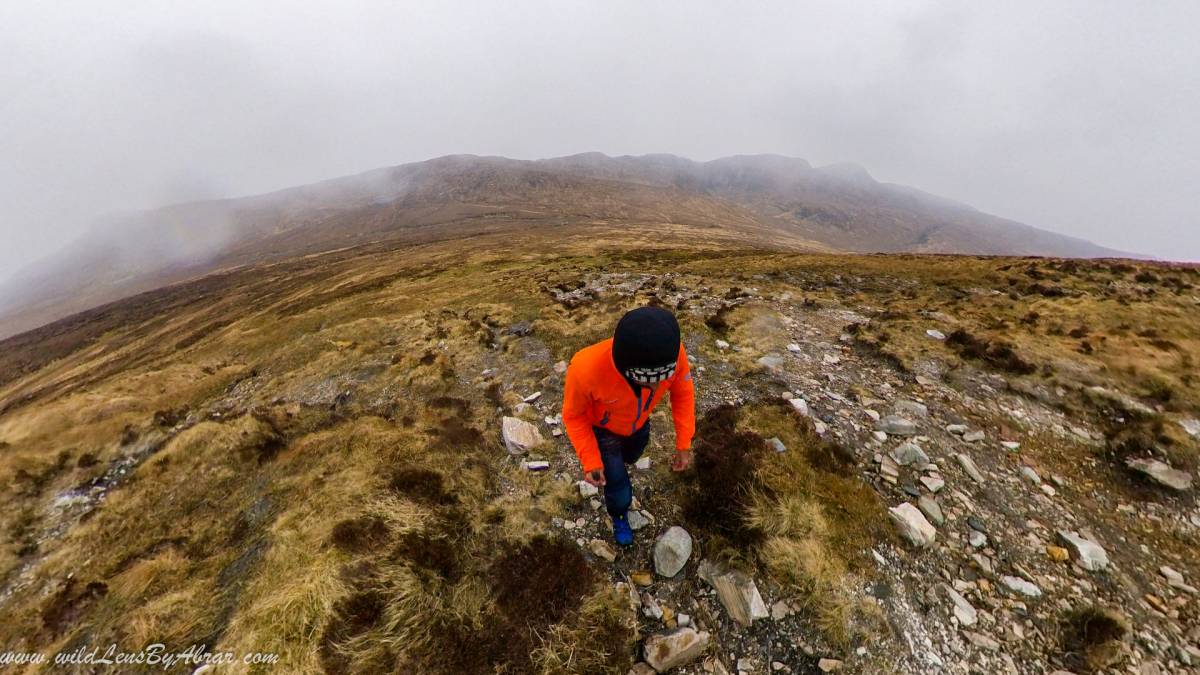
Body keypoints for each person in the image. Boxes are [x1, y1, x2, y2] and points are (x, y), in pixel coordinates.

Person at [561, 306, 695, 546]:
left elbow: (683, 394)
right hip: (603, 431)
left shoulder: (673, 354)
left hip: (638, 425)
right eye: (645, 381)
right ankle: (619, 514)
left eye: (663, 379)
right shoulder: (584, 370)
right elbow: (573, 417)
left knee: (632, 456)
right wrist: (591, 460)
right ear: (624, 368)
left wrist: (684, 443)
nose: (656, 389)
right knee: (618, 485)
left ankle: (621, 464)